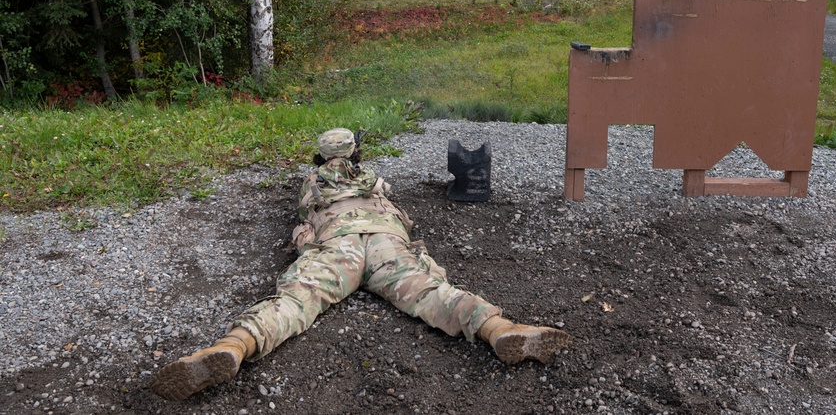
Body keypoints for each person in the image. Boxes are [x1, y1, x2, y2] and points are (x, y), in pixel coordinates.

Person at [152, 128, 572, 401]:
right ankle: (501, 330)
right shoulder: (371, 178)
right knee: (432, 293)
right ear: (354, 152)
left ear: (319, 156)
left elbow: (304, 217)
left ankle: (232, 347)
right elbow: (387, 196)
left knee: (299, 299)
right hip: (386, 240)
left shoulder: (312, 184)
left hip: (339, 244)